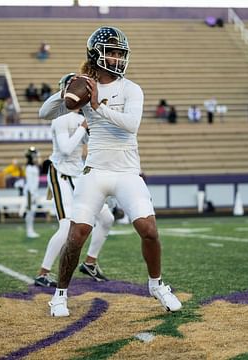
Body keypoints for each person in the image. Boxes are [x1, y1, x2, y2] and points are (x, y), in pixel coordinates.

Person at [39, 26, 181, 317]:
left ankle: (156, 284)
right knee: (77, 234)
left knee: (149, 230)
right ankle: (60, 294)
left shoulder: (131, 89)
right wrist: (63, 89)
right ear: (96, 54)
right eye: (111, 53)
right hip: (96, 172)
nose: (117, 59)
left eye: (120, 53)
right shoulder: (85, 86)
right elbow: (45, 113)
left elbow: (131, 124)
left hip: (128, 172)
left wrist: (97, 107)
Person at [34, 73, 115, 288]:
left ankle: (90, 262)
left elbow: (96, 142)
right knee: (66, 226)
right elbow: (67, 148)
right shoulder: (60, 118)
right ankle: (43, 272)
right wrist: (83, 127)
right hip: (60, 172)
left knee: (106, 219)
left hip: (78, 174)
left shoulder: (82, 117)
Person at [24, 147, 40, 239]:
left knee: (32, 211)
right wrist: (33, 194)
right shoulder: (29, 168)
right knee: (30, 211)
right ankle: (29, 231)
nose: (37, 159)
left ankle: (31, 230)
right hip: (30, 193)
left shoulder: (34, 167)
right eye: (35, 157)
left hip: (34, 192)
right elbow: (30, 183)